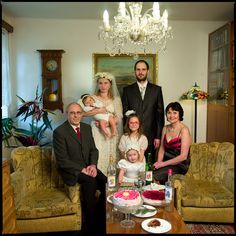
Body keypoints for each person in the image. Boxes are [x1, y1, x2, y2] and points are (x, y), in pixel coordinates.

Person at [53, 102, 107, 235]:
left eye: (78, 113)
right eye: (72, 113)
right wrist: (82, 169)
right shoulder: (59, 132)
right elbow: (62, 160)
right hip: (71, 170)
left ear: (82, 114)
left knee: (106, 182)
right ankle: (90, 226)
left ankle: (99, 216)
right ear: (67, 114)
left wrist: (93, 165)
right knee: (90, 181)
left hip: (89, 167)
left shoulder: (87, 128)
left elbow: (93, 150)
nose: (76, 116)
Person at [122, 59, 165, 164]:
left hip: (151, 135)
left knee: (149, 166)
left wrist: (158, 136)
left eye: (143, 69)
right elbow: (124, 114)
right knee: (131, 164)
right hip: (132, 137)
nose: (140, 72)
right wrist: (126, 134)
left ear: (147, 71)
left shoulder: (156, 90)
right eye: (138, 70)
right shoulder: (127, 90)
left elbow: (160, 115)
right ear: (135, 71)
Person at [82, 72, 123, 175]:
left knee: (112, 154)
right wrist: (99, 111)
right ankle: (99, 178)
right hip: (97, 131)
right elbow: (84, 113)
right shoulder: (92, 98)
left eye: (105, 83)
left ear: (110, 84)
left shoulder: (116, 99)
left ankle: (112, 180)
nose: (103, 86)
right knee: (98, 153)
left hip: (111, 129)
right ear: (97, 84)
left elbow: (119, 116)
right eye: (100, 83)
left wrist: (109, 123)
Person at [153, 102, 191, 184]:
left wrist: (162, 164)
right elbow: (162, 149)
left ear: (180, 114)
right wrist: (159, 163)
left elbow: (183, 156)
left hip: (180, 165)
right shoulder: (165, 128)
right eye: (169, 113)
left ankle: (158, 195)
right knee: (150, 173)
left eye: (175, 113)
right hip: (166, 162)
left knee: (154, 176)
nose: (171, 115)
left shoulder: (184, 130)